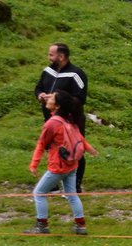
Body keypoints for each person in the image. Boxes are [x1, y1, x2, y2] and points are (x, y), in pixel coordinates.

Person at [25, 91, 98, 235]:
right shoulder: (69, 118)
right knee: (72, 195)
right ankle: (81, 226)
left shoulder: (52, 123)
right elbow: (80, 139)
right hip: (72, 165)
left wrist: (34, 164)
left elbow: (41, 144)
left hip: (58, 167)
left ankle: (42, 226)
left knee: (39, 193)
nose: (48, 98)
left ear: (57, 106)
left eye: (52, 97)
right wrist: (91, 150)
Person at [33, 42, 88, 190]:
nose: (48, 57)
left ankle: (75, 186)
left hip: (71, 121)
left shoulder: (76, 74)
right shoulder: (47, 71)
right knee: (52, 149)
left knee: (75, 150)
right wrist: (40, 95)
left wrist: (58, 98)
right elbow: (38, 87)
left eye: (51, 54)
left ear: (61, 56)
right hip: (51, 119)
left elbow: (80, 98)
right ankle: (53, 184)